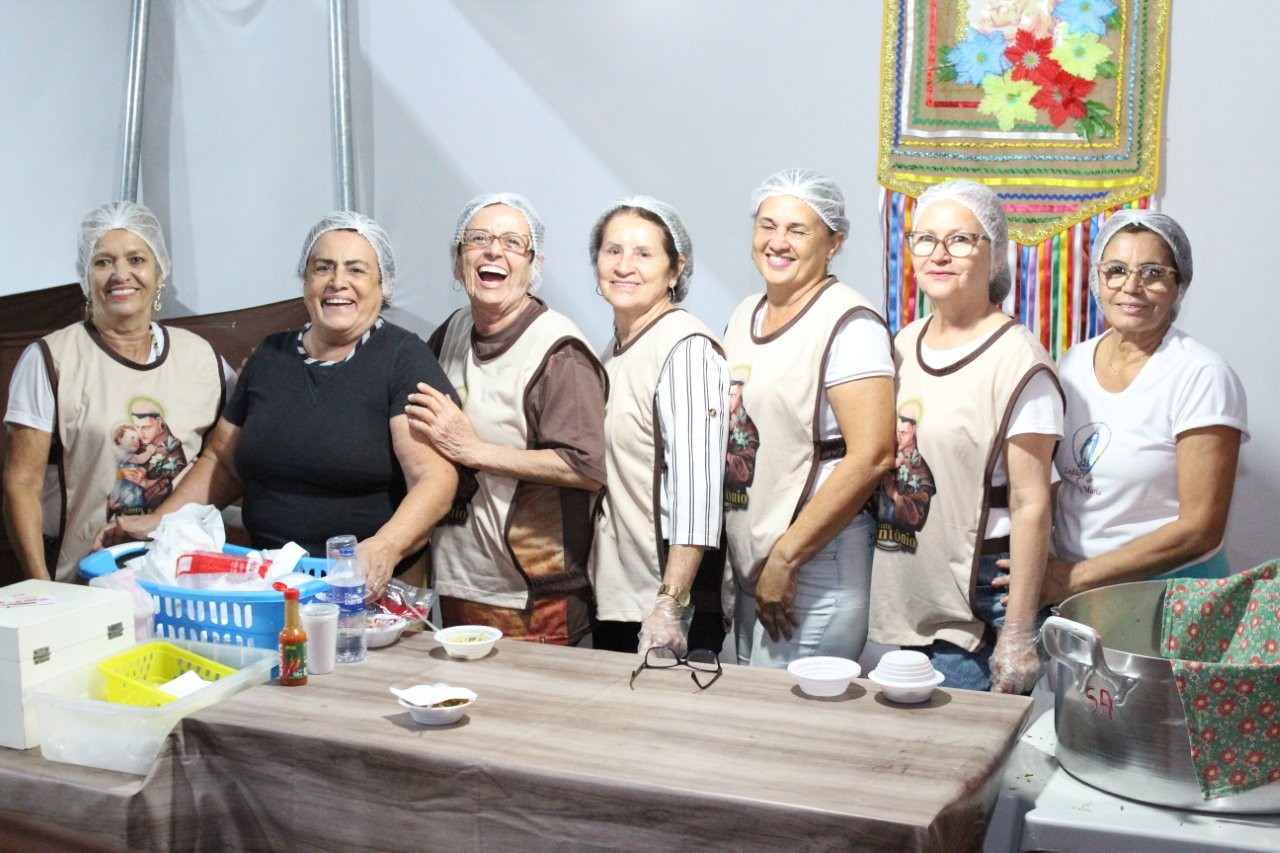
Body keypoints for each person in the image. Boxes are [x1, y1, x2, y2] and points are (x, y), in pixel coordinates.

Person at [97, 211, 458, 596]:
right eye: (323, 267)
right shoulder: (270, 356)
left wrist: (386, 545)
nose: (338, 281)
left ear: (382, 285)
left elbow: (434, 478)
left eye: (356, 270)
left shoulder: (403, 359)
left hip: (367, 585)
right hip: (268, 581)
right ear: (305, 280)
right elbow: (222, 461)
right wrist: (161, 521)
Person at [869, 180, 1063, 694]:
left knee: (950, 739)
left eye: (960, 240)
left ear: (995, 254)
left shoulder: (1019, 362)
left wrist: (1018, 633)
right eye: (925, 239)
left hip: (978, 594)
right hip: (914, 581)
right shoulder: (905, 342)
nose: (939, 254)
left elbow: (1030, 502)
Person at [1011, 210, 1248, 605]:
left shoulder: (1202, 376)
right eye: (1117, 270)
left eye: (1153, 273)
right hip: (1080, 594)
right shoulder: (1073, 363)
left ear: (1178, 286)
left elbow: (1200, 530)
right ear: (1098, 279)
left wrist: (1070, 578)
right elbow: (1084, 483)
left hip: (1168, 598)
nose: (1131, 286)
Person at [407, 193, 606, 645]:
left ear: (535, 266)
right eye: (478, 239)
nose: (494, 251)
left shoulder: (559, 351)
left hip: (536, 597)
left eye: (513, 242)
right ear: (457, 262)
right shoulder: (453, 330)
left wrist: (473, 450)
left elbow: (586, 467)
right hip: (459, 579)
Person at [723, 169, 896, 668]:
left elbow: (873, 455)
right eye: (767, 225)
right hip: (757, 555)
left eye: (797, 230)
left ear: (833, 243)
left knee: (783, 711)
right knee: (746, 705)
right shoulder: (746, 313)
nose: (778, 242)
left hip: (816, 559)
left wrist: (787, 557)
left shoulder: (850, 324)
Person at [4, 201, 230, 582]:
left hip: (182, 583)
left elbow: (228, 458)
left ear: (160, 270)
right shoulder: (51, 361)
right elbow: (21, 484)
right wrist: (45, 590)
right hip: (82, 583)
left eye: (136, 259)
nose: (120, 274)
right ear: (85, 275)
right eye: (103, 261)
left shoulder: (204, 360)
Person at [586, 196, 730, 657]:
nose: (624, 266)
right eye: (613, 250)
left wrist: (670, 604)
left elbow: (698, 490)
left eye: (643, 253)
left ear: (675, 270)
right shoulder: (614, 350)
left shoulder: (685, 349)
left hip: (663, 606)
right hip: (620, 592)